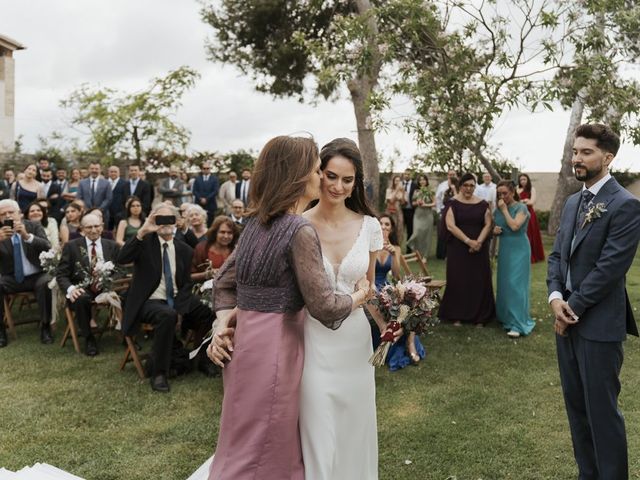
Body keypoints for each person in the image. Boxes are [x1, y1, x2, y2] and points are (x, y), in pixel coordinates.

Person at [205, 135, 370, 480]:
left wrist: (223, 324)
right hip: (277, 348)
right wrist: (361, 296)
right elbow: (325, 306)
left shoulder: (254, 225)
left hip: (246, 346)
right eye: (315, 170)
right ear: (298, 177)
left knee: (243, 439)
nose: (320, 178)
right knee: (268, 442)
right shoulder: (299, 229)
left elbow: (221, 283)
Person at [547, 124, 640, 479]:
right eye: (575, 151)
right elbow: (557, 257)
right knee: (577, 410)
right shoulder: (573, 202)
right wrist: (556, 297)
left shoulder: (626, 205)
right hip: (566, 323)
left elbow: (609, 269)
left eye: (586, 152)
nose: (577, 158)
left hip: (599, 326)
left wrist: (571, 309)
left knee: (602, 413)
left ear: (608, 157)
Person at [300, 138, 385, 479]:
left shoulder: (369, 226)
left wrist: (394, 321)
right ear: (318, 174)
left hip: (355, 342)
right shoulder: (297, 223)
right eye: (331, 176)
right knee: (317, 426)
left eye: (347, 180)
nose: (337, 186)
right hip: (311, 339)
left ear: (356, 182)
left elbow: (370, 286)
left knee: (354, 426)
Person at [117, 203, 217, 392]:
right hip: (149, 301)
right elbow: (122, 258)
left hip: (178, 298)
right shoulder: (144, 243)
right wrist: (143, 230)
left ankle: (203, 360)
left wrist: (184, 227)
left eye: (168, 218)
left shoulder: (183, 249)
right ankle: (159, 373)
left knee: (209, 313)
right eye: (159, 218)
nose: (163, 223)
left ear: (176, 221)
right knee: (167, 315)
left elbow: (187, 282)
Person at [56, 214, 121, 356]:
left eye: (97, 226)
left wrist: (110, 282)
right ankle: (88, 338)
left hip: (106, 287)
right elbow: (61, 274)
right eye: (89, 227)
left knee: (128, 293)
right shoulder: (71, 246)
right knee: (81, 298)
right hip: (82, 288)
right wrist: (71, 289)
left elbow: (120, 270)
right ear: (82, 229)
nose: (93, 230)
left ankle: (128, 336)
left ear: (102, 226)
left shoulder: (112, 245)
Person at [438, 172, 495, 326]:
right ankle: (457, 315)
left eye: (472, 185)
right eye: (466, 185)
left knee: (479, 280)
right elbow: (450, 225)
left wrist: (478, 242)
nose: (469, 188)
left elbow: (488, 224)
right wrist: (469, 241)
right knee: (458, 280)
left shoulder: (483, 204)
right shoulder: (452, 203)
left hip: (479, 248)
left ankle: (480, 317)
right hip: (458, 248)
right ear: (460, 186)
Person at [373, 213, 425, 369]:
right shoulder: (370, 245)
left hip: (388, 286)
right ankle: (389, 344)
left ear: (392, 228)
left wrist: (394, 254)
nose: (383, 227)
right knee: (391, 308)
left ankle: (410, 344)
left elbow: (396, 275)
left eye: (387, 224)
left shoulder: (395, 248)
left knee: (408, 305)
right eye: (380, 223)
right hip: (372, 287)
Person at [0, 199, 53, 347]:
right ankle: (1, 331)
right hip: (11, 278)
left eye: (11, 212)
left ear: (20, 214)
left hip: (37, 275)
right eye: (3, 214)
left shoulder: (33, 226)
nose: (7, 216)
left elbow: (47, 246)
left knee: (45, 283)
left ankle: (45, 327)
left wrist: (26, 236)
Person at [493, 181, 534, 338]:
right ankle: (505, 317)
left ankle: (517, 323)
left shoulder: (520, 208)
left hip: (519, 249)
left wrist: (504, 210)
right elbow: (496, 226)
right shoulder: (498, 208)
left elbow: (515, 226)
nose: (502, 196)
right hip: (505, 249)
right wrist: (494, 230)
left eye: (505, 193)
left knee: (515, 284)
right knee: (504, 283)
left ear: (513, 192)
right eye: (499, 194)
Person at [191, 216, 238, 283]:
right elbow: (190, 276)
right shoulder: (201, 249)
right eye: (222, 232)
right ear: (215, 233)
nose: (226, 236)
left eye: (229, 233)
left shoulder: (236, 251)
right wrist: (208, 274)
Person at [517, 173, 545, 263]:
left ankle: (532, 255)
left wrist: (525, 201)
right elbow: (514, 201)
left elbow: (532, 202)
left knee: (530, 234)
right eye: (521, 180)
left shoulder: (532, 189)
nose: (523, 181)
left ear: (527, 180)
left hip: (529, 214)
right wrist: (524, 201)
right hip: (518, 213)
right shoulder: (517, 189)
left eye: (524, 179)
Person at [406, 173, 435, 260]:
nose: (422, 181)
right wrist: (417, 203)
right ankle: (417, 253)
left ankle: (424, 256)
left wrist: (425, 204)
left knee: (426, 236)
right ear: (418, 182)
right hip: (418, 215)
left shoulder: (430, 191)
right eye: (420, 180)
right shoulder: (416, 191)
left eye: (424, 179)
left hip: (428, 215)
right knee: (416, 234)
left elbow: (434, 203)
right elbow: (413, 203)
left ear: (426, 181)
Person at [435, 170, 458, 259]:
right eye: (450, 175)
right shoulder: (442, 186)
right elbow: (438, 199)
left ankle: (452, 253)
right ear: (447, 176)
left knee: (453, 233)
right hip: (444, 211)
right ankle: (442, 254)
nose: (451, 176)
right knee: (443, 232)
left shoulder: (459, 186)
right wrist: (438, 211)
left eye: (453, 174)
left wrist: (454, 189)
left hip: (456, 212)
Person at [192, 162, 219, 226]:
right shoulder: (197, 179)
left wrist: (206, 199)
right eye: (204, 168)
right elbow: (194, 191)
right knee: (199, 222)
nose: (206, 170)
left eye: (207, 168)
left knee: (210, 223)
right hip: (199, 204)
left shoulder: (214, 179)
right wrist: (200, 198)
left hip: (210, 204)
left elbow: (215, 191)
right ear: (202, 169)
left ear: (210, 169)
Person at [384, 174, 405, 244]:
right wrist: (397, 190)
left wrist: (403, 193)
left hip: (398, 212)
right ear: (393, 181)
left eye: (399, 181)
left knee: (398, 229)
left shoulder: (401, 191)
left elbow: (403, 202)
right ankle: (387, 243)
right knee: (389, 228)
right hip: (390, 211)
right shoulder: (389, 190)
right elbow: (391, 200)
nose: (398, 182)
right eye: (396, 180)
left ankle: (397, 245)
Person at [107, 166, 127, 231]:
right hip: (107, 213)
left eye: (115, 172)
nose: (113, 173)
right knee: (107, 232)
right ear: (108, 173)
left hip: (120, 212)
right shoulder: (103, 183)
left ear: (119, 173)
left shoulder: (125, 183)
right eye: (111, 172)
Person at [401, 169, 417, 245]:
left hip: (411, 210)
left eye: (408, 174)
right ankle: (397, 247)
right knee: (399, 230)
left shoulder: (415, 185)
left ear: (411, 175)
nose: (407, 175)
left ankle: (408, 249)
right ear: (403, 175)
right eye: (405, 174)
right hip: (400, 211)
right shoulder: (400, 184)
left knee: (410, 230)